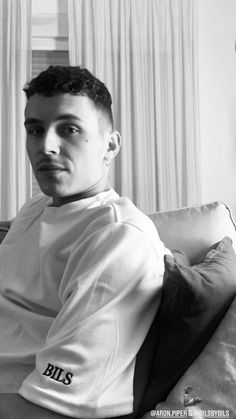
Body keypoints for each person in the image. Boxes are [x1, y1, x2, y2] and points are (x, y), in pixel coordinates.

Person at [0, 66, 170, 418]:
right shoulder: (35, 209)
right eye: (35, 130)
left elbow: (52, 403)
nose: (46, 146)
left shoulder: (119, 239)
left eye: (69, 129)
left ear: (110, 146)